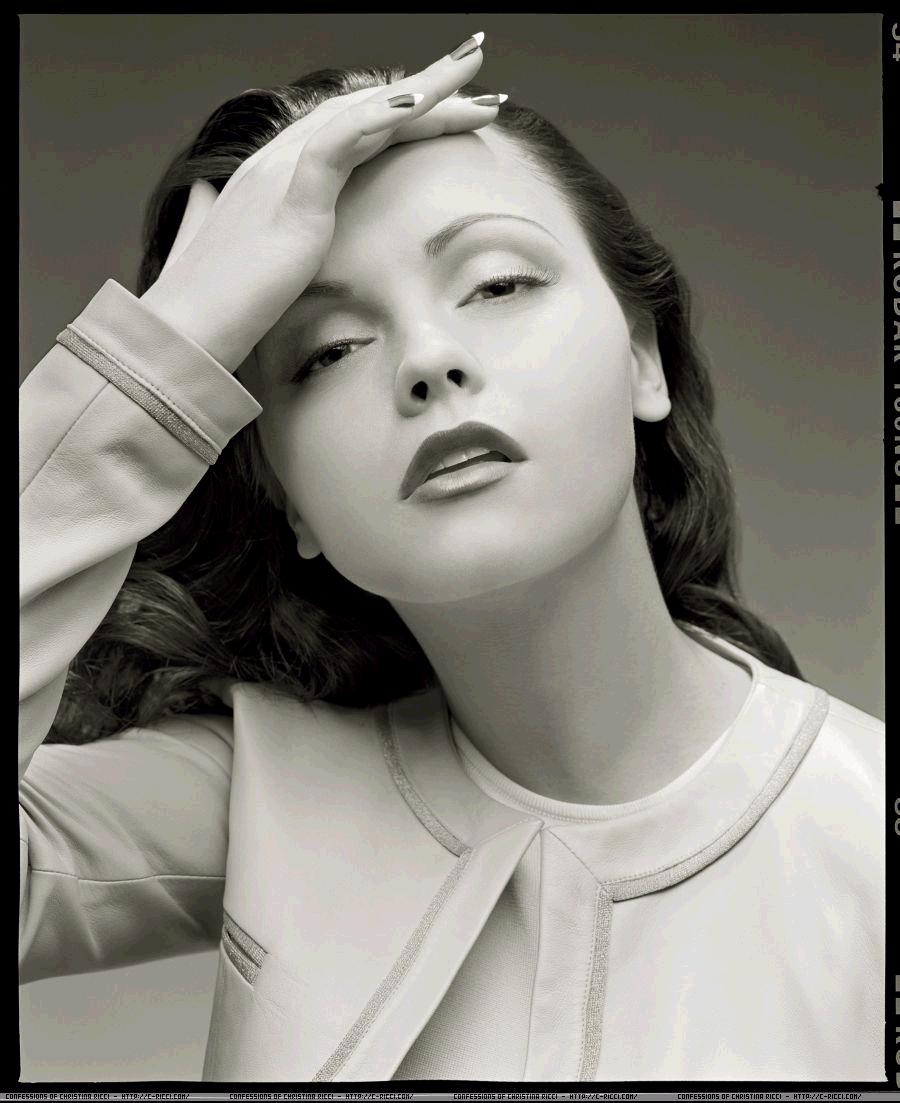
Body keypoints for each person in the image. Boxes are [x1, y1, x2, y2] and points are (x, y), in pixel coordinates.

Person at [19, 33, 885, 1083]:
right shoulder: (269, 794)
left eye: (498, 284)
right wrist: (170, 337)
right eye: (328, 350)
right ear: (288, 500)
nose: (429, 361)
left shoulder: (865, 838)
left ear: (643, 358)